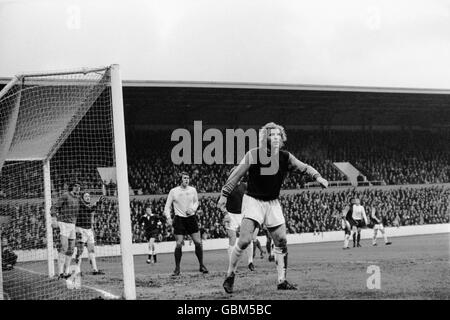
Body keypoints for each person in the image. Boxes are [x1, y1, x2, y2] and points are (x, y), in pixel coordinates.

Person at [218, 122, 328, 293]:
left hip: (273, 202)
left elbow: (304, 167)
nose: (276, 137)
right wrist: (224, 194)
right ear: (265, 138)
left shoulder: (285, 157)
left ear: (282, 138)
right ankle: (230, 275)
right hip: (253, 200)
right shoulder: (253, 154)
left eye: (278, 135)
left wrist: (318, 177)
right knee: (245, 240)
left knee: (281, 241)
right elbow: (236, 174)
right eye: (272, 135)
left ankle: (282, 281)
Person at [164, 172, 208, 276]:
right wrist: (169, 218)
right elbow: (167, 207)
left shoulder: (192, 190)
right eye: (184, 178)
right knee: (179, 243)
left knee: (198, 242)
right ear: (180, 179)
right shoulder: (173, 191)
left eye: (188, 178)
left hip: (191, 218)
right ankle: (177, 268)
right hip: (179, 219)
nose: (186, 180)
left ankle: (201, 265)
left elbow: (196, 202)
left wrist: (192, 209)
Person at [221, 168, 255, 271]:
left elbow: (252, 200)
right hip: (231, 215)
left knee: (248, 238)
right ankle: (232, 264)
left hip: (243, 215)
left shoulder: (245, 186)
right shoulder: (227, 187)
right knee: (232, 238)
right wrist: (225, 213)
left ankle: (250, 262)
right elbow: (221, 204)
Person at [51, 182, 81, 279]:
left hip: (72, 225)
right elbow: (54, 207)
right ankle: (60, 273)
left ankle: (66, 271)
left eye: (79, 186)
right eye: (76, 186)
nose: (78, 188)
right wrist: (54, 219)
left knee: (71, 249)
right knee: (64, 247)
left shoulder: (78, 198)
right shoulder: (65, 195)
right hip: (63, 223)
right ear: (72, 187)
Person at [74, 192, 105, 275]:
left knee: (91, 250)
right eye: (86, 196)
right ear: (82, 198)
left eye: (88, 196)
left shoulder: (89, 206)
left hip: (89, 230)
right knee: (80, 251)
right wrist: (98, 202)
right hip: (80, 230)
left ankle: (95, 269)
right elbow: (89, 209)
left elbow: (91, 212)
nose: (88, 197)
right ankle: (77, 270)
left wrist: (92, 229)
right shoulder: (80, 205)